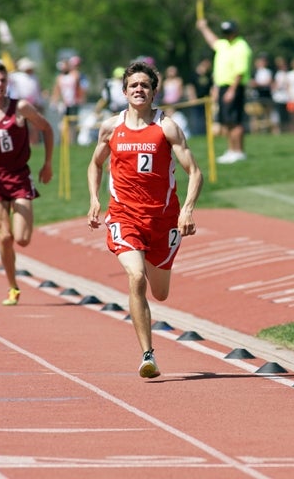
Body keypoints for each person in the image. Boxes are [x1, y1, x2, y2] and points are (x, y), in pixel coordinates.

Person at [87, 62, 203, 379]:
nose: (139, 89)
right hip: (124, 215)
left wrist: (187, 209)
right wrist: (95, 199)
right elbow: (95, 164)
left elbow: (195, 171)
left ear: (154, 92)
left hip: (162, 221)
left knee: (160, 293)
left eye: (145, 85)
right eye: (133, 85)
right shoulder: (111, 128)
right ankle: (147, 355)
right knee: (136, 277)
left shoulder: (167, 128)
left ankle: (160, 266)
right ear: (124, 91)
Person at [0, 62, 53, 305]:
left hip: (19, 177)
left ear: (8, 84)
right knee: (4, 237)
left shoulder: (20, 108)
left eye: (2, 81)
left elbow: (46, 129)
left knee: (22, 239)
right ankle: (13, 286)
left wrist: (47, 164)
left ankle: (18, 213)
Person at [196, 19, 252, 164]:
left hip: (234, 86)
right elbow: (213, 41)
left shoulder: (241, 47)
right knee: (227, 121)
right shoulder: (224, 45)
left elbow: (240, 71)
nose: (227, 35)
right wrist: (203, 28)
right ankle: (231, 150)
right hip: (223, 87)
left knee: (235, 120)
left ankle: (238, 151)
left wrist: (232, 90)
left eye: (229, 32)